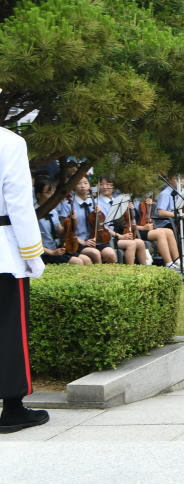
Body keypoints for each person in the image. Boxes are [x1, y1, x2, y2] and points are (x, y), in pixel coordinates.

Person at [1, 126, 50, 434]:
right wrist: (33, 254)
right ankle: (13, 409)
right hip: (3, 250)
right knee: (8, 332)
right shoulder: (8, 142)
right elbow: (18, 202)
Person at [33, 179, 89, 267]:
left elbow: (61, 233)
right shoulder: (33, 214)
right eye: (49, 193)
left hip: (56, 249)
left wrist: (70, 221)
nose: (52, 196)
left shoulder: (53, 211)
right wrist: (51, 252)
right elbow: (31, 242)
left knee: (87, 259)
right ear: (39, 195)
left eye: (54, 193)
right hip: (44, 253)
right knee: (77, 262)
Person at [56, 176, 113, 264]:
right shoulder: (68, 204)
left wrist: (99, 213)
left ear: (90, 185)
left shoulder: (94, 202)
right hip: (77, 241)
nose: (83, 186)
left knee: (111, 254)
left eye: (86, 183)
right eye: (79, 183)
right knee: (95, 253)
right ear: (74, 186)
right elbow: (66, 231)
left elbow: (99, 224)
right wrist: (84, 242)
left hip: (95, 239)